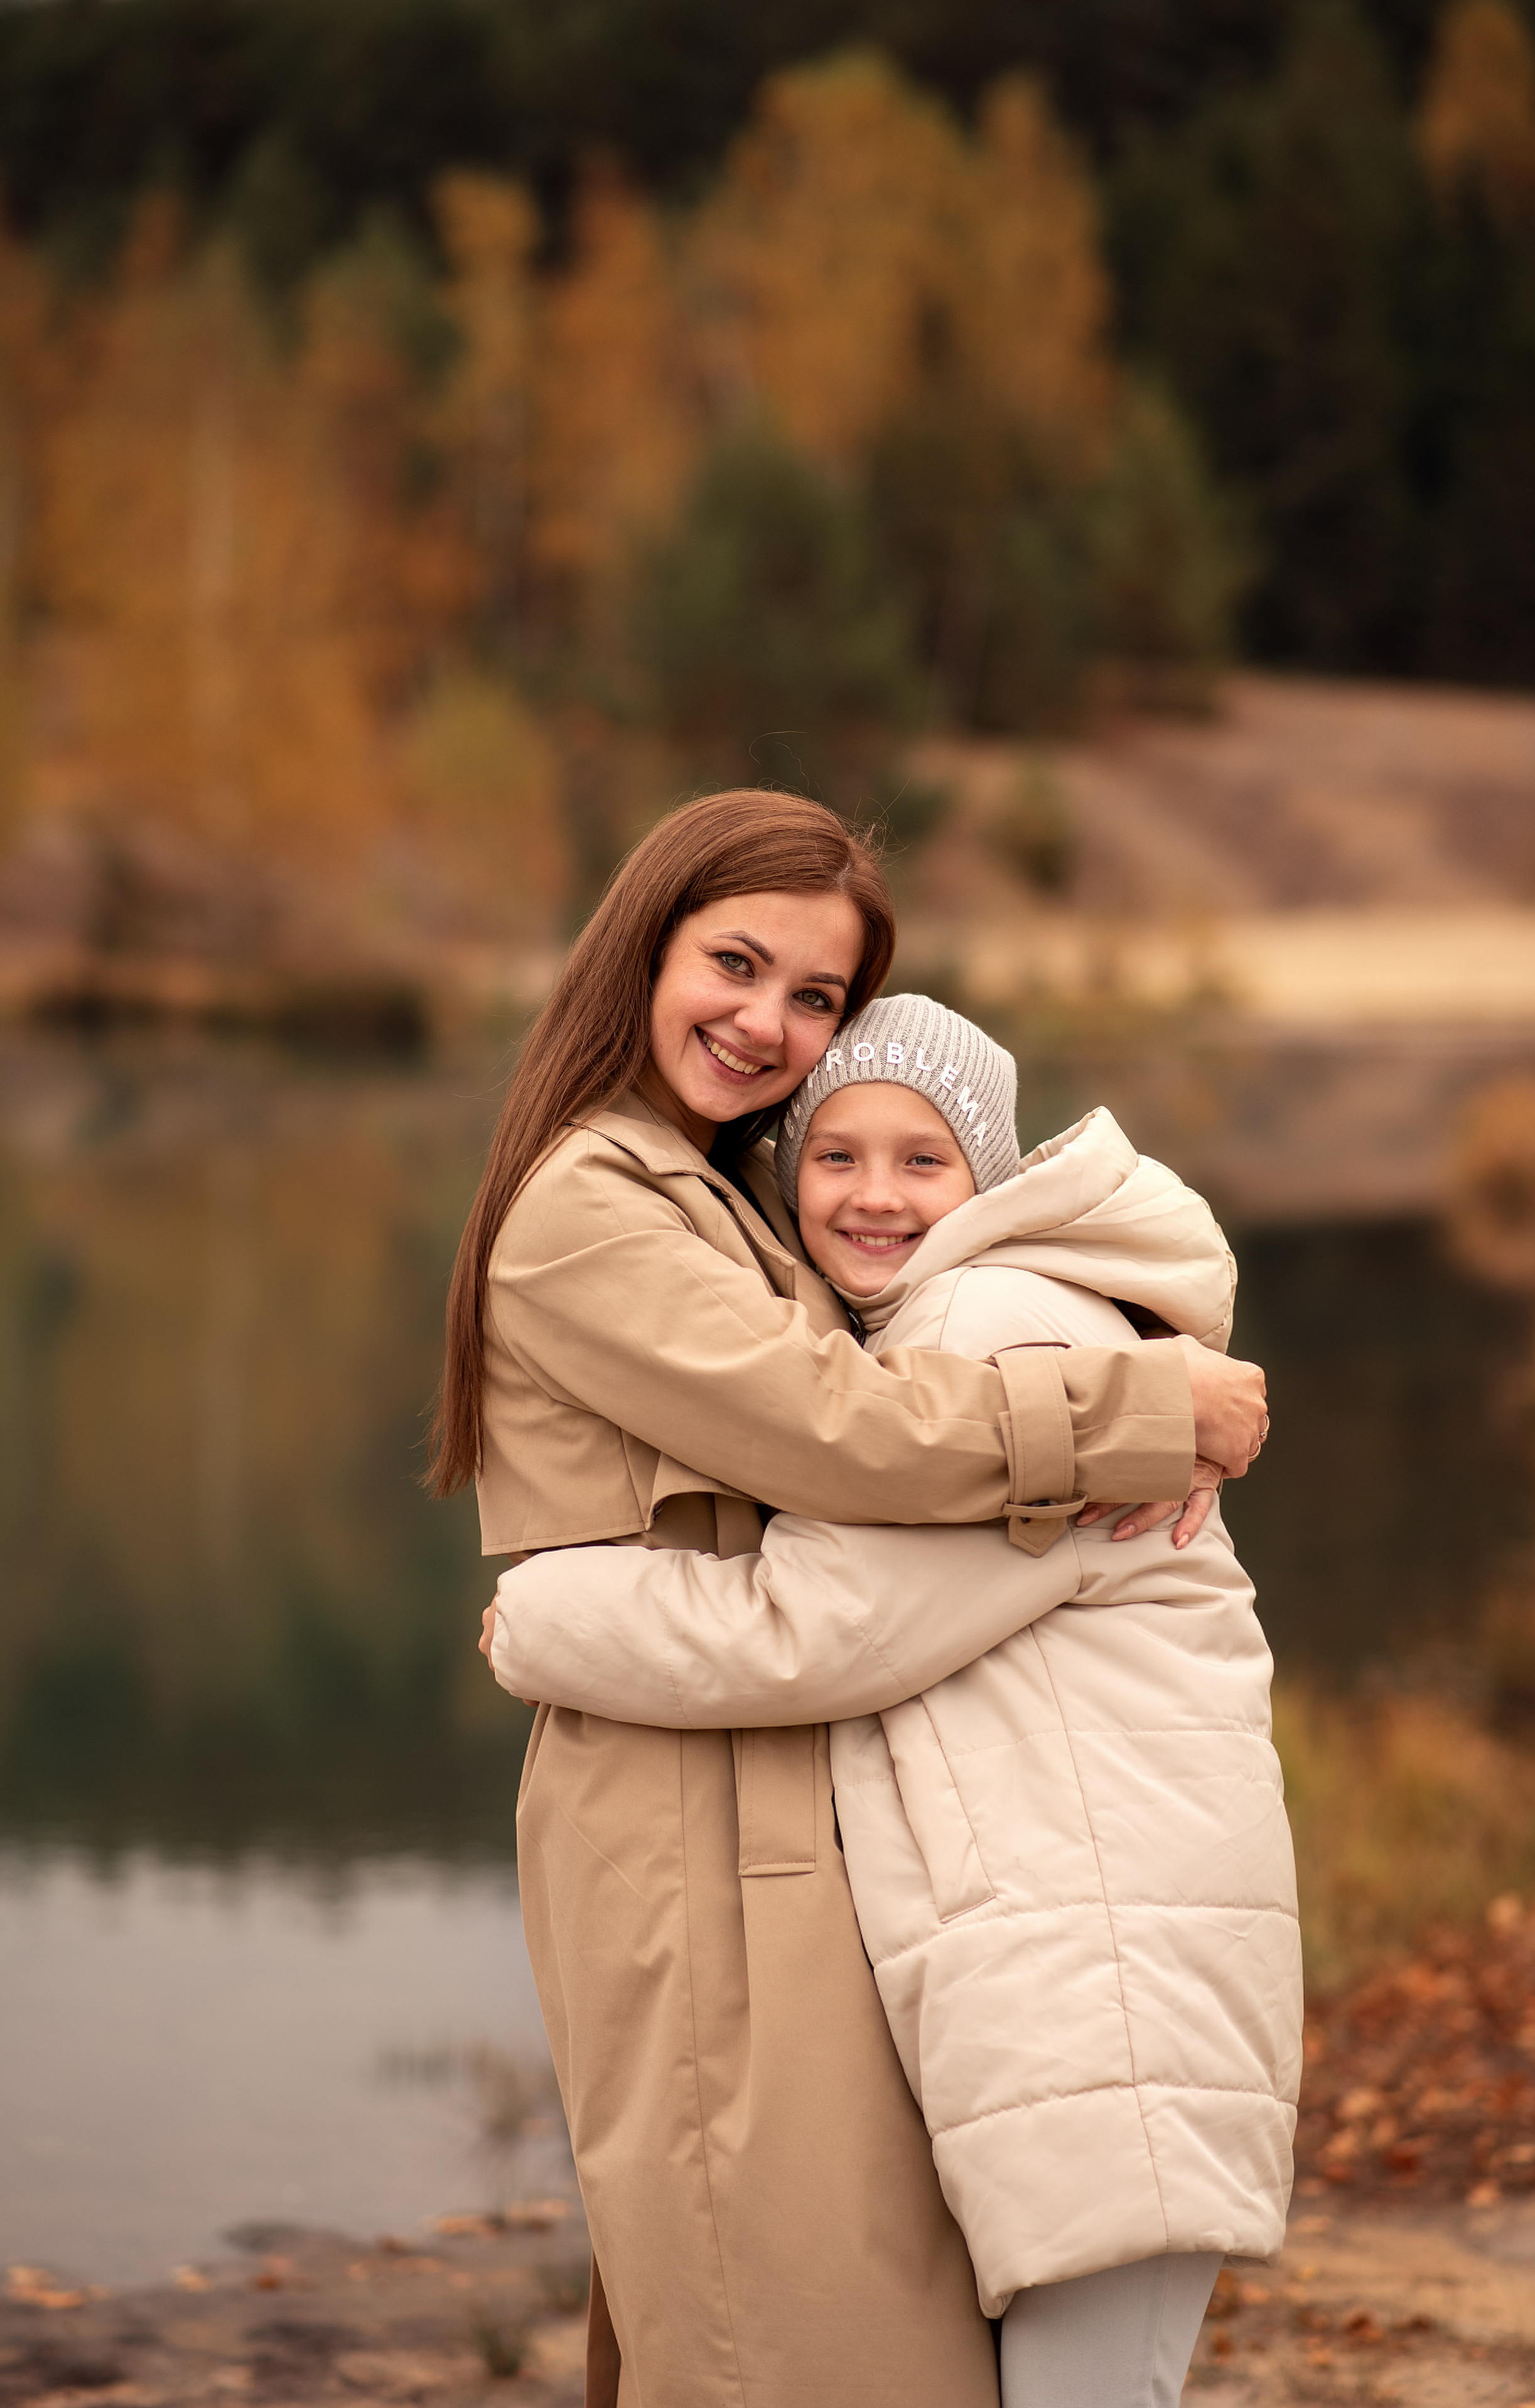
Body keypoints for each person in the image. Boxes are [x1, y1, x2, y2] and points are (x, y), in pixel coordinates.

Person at [434, 792, 1269, 2408]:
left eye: (811, 997)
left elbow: (850, 1536)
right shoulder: (588, 1206)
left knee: (808, 2332)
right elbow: (841, 1435)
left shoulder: (721, 1197)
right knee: (783, 2337)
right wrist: (1145, 1410)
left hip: (765, 1820)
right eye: (733, 964)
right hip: (694, 1842)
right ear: (643, 945)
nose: (764, 1020)